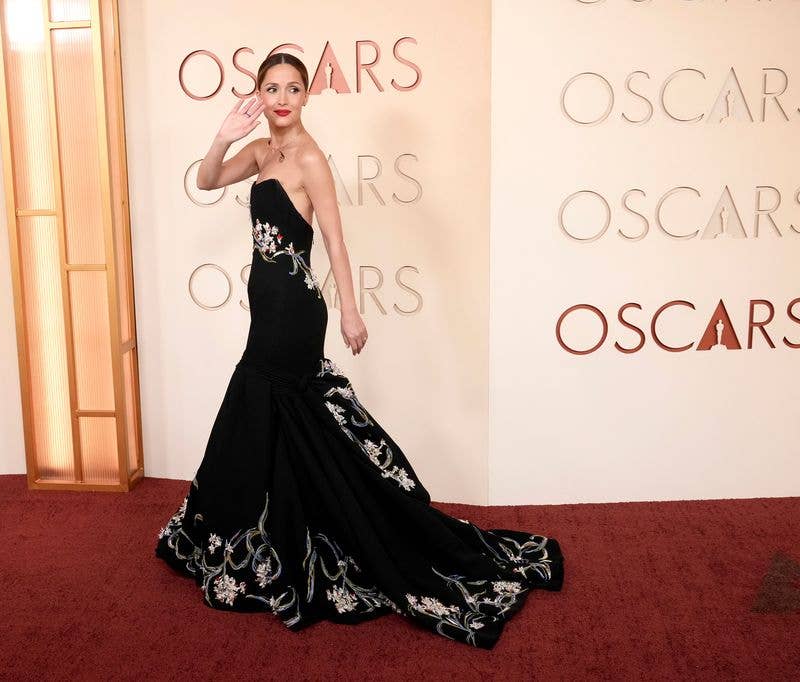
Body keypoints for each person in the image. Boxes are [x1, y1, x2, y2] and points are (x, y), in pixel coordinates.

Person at [155, 52, 563, 650]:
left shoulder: (310, 159)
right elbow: (207, 179)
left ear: (306, 97)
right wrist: (222, 135)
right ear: (260, 95)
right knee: (273, 416)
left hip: (294, 314)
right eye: (272, 88)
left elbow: (336, 244)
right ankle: (271, 533)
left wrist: (349, 308)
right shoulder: (263, 153)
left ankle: (319, 531)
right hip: (266, 310)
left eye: (294, 88)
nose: (283, 98)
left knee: (273, 408)